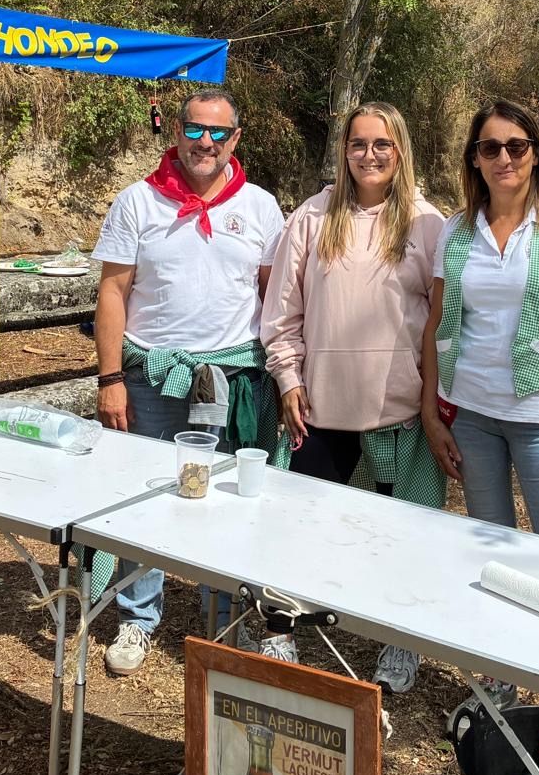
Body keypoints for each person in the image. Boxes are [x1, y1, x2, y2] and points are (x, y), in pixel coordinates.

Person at [420, 101, 539, 716]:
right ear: (474, 159)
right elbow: (435, 325)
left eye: (516, 146)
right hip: (471, 415)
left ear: (536, 152)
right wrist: (432, 412)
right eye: (489, 148)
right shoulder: (456, 231)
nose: (504, 158)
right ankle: (501, 683)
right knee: (493, 556)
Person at [92, 89, 284, 674]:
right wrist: (108, 378)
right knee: (144, 493)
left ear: (236, 139)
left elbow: (276, 298)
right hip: (150, 375)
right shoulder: (137, 202)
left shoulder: (260, 207)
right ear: (176, 132)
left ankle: (222, 620)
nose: (206, 142)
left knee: (225, 498)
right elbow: (112, 292)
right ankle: (136, 615)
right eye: (195, 130)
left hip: (233, 378)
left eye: (219, 133)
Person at [261, 102, 444, 689]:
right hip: (322, 407)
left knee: (404, 534)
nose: (369, 155)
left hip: (401, 412)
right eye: (358, 143)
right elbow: (282, 312)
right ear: (344, 150)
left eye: (382, 144)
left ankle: (400, 641)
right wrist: (288, 376)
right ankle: (279, 625)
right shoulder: (313, 217)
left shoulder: (425, 223)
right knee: (300, 520)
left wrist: (434, 398)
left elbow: (443, 322)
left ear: (401, 151)